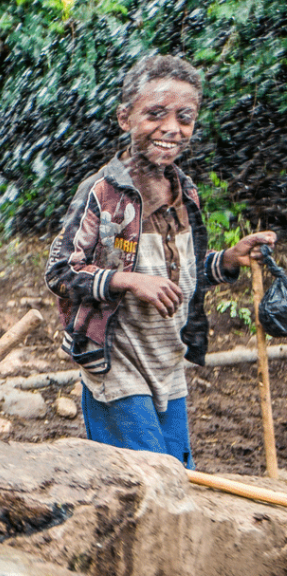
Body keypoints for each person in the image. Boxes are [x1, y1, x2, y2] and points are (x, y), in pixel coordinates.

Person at [45, 55, 276, 469]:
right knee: (146, 479)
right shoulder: (102, 193)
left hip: (168, 364)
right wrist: (129, 281)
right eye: (155, 114)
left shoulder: (185, 193)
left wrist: (226, 259)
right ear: (124, 117)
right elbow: (60, 271)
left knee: (178, 475)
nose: (171, 128)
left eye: (184, 118)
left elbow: (178, 272)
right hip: (116, 364)